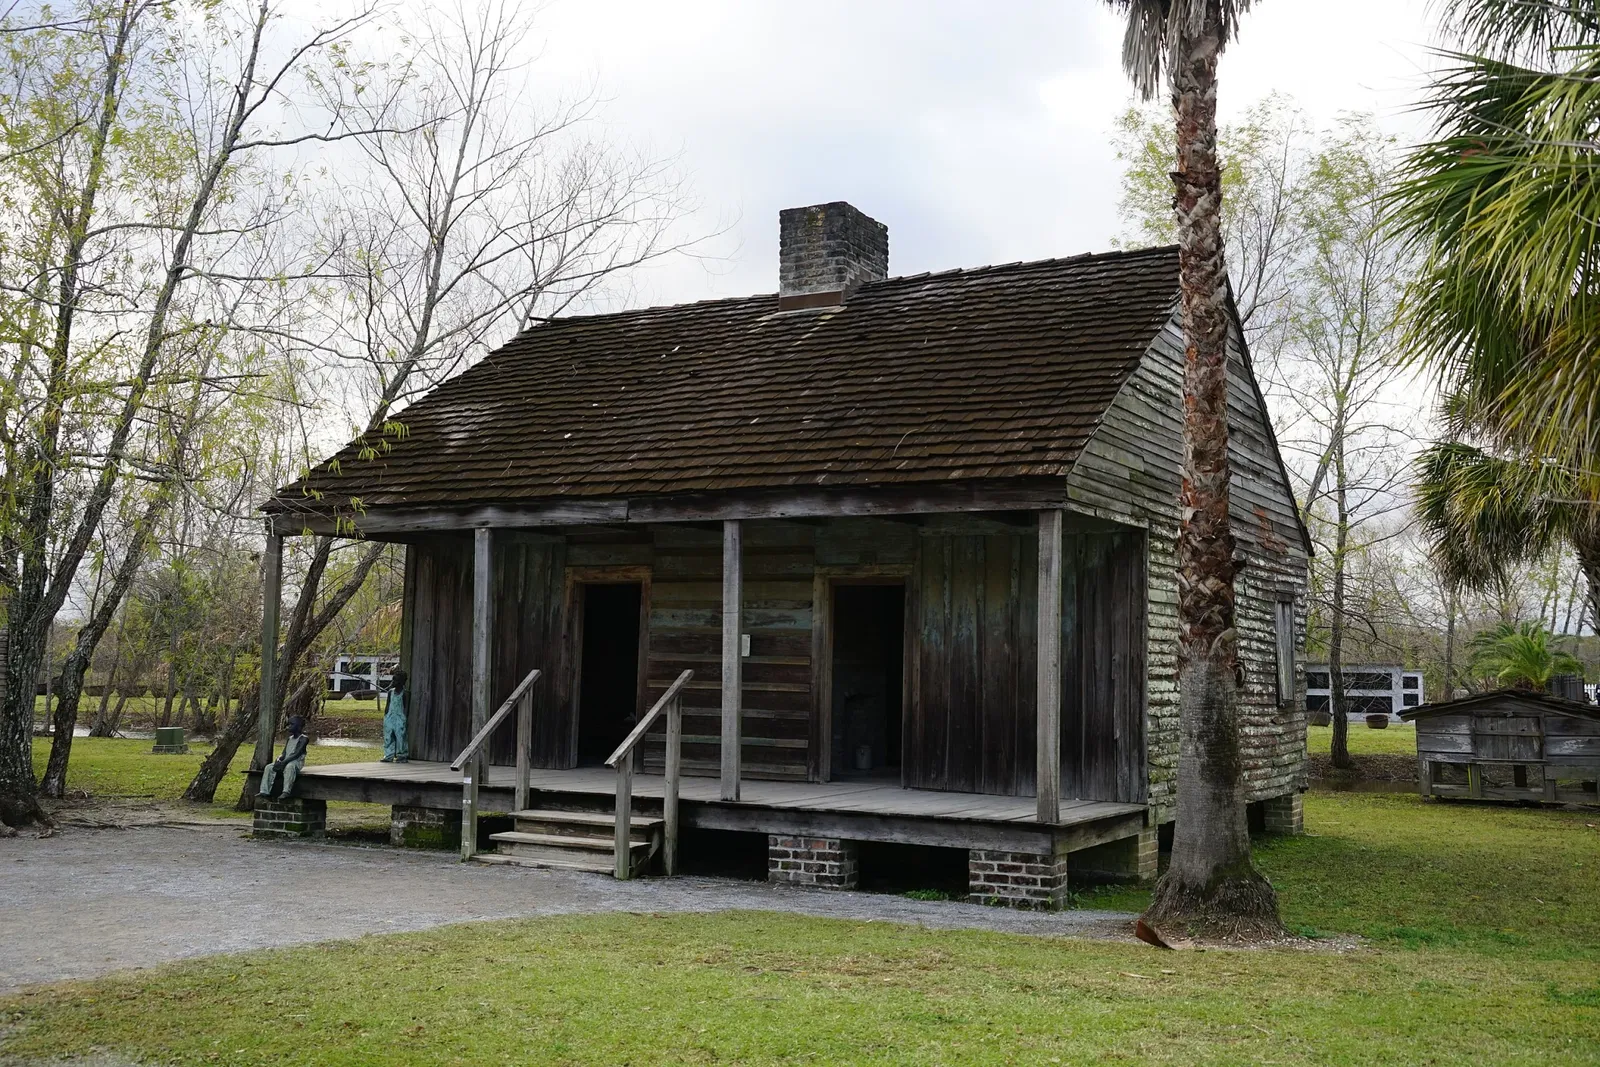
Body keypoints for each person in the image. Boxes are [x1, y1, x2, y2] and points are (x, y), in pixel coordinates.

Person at [258, 715, 309, 799]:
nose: (289, 727)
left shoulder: (303, 739)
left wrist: (284, 762)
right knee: (269, 767)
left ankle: (286, 791)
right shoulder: (290, 738)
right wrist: (279, 759)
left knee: (289, 767)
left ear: (299, 726)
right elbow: (284, 752)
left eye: (291, 724)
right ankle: (264, 791)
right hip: (286, 760)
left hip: (296, 762)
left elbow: (296, 753)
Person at [381, 669, 409, 763]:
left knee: (401, 736)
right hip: (389, 717)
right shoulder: (390, 692)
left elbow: (406, 707)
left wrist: (404, 718)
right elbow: (388, 705)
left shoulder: (404, 693)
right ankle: (388, 755)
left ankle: (402, 755)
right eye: (393, 680)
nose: (393, 682)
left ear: (401, 682)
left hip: (400, 718)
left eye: (396, 680)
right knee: (388, 737)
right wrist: (386, 716)